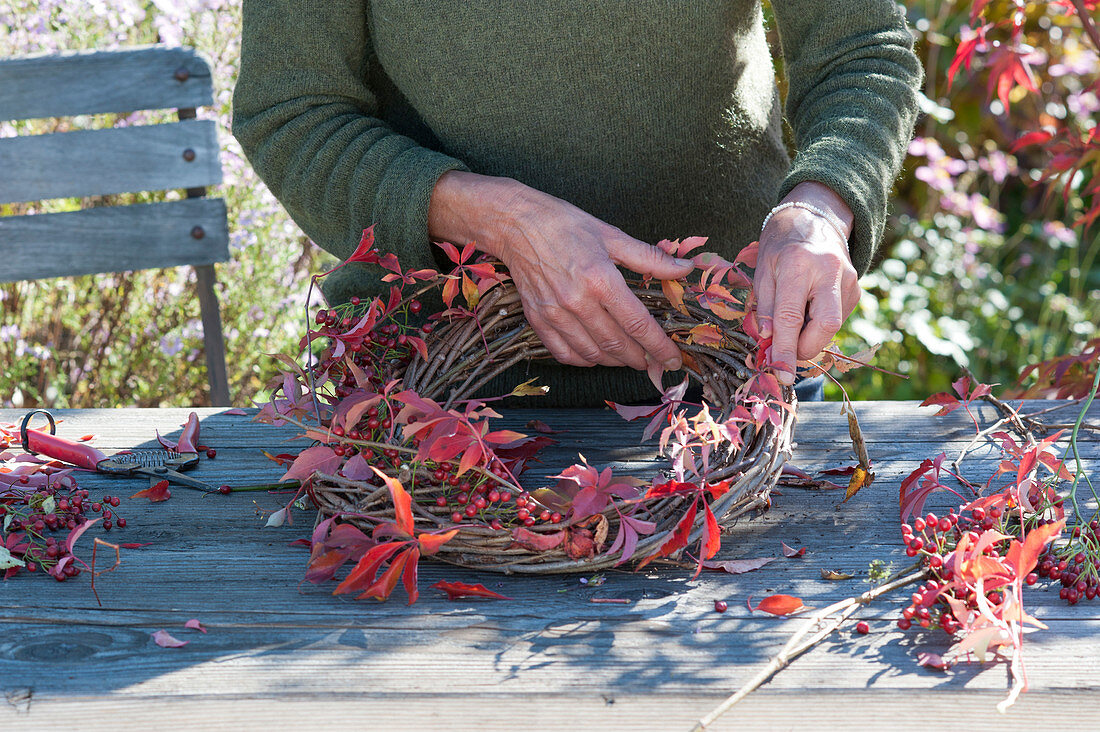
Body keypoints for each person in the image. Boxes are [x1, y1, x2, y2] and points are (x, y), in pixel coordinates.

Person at [232, 1, 923, 406]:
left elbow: (861, 50)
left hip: (731, 373)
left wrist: (820, 207)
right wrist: (504, 222)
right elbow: (292, 112)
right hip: (430, 396)